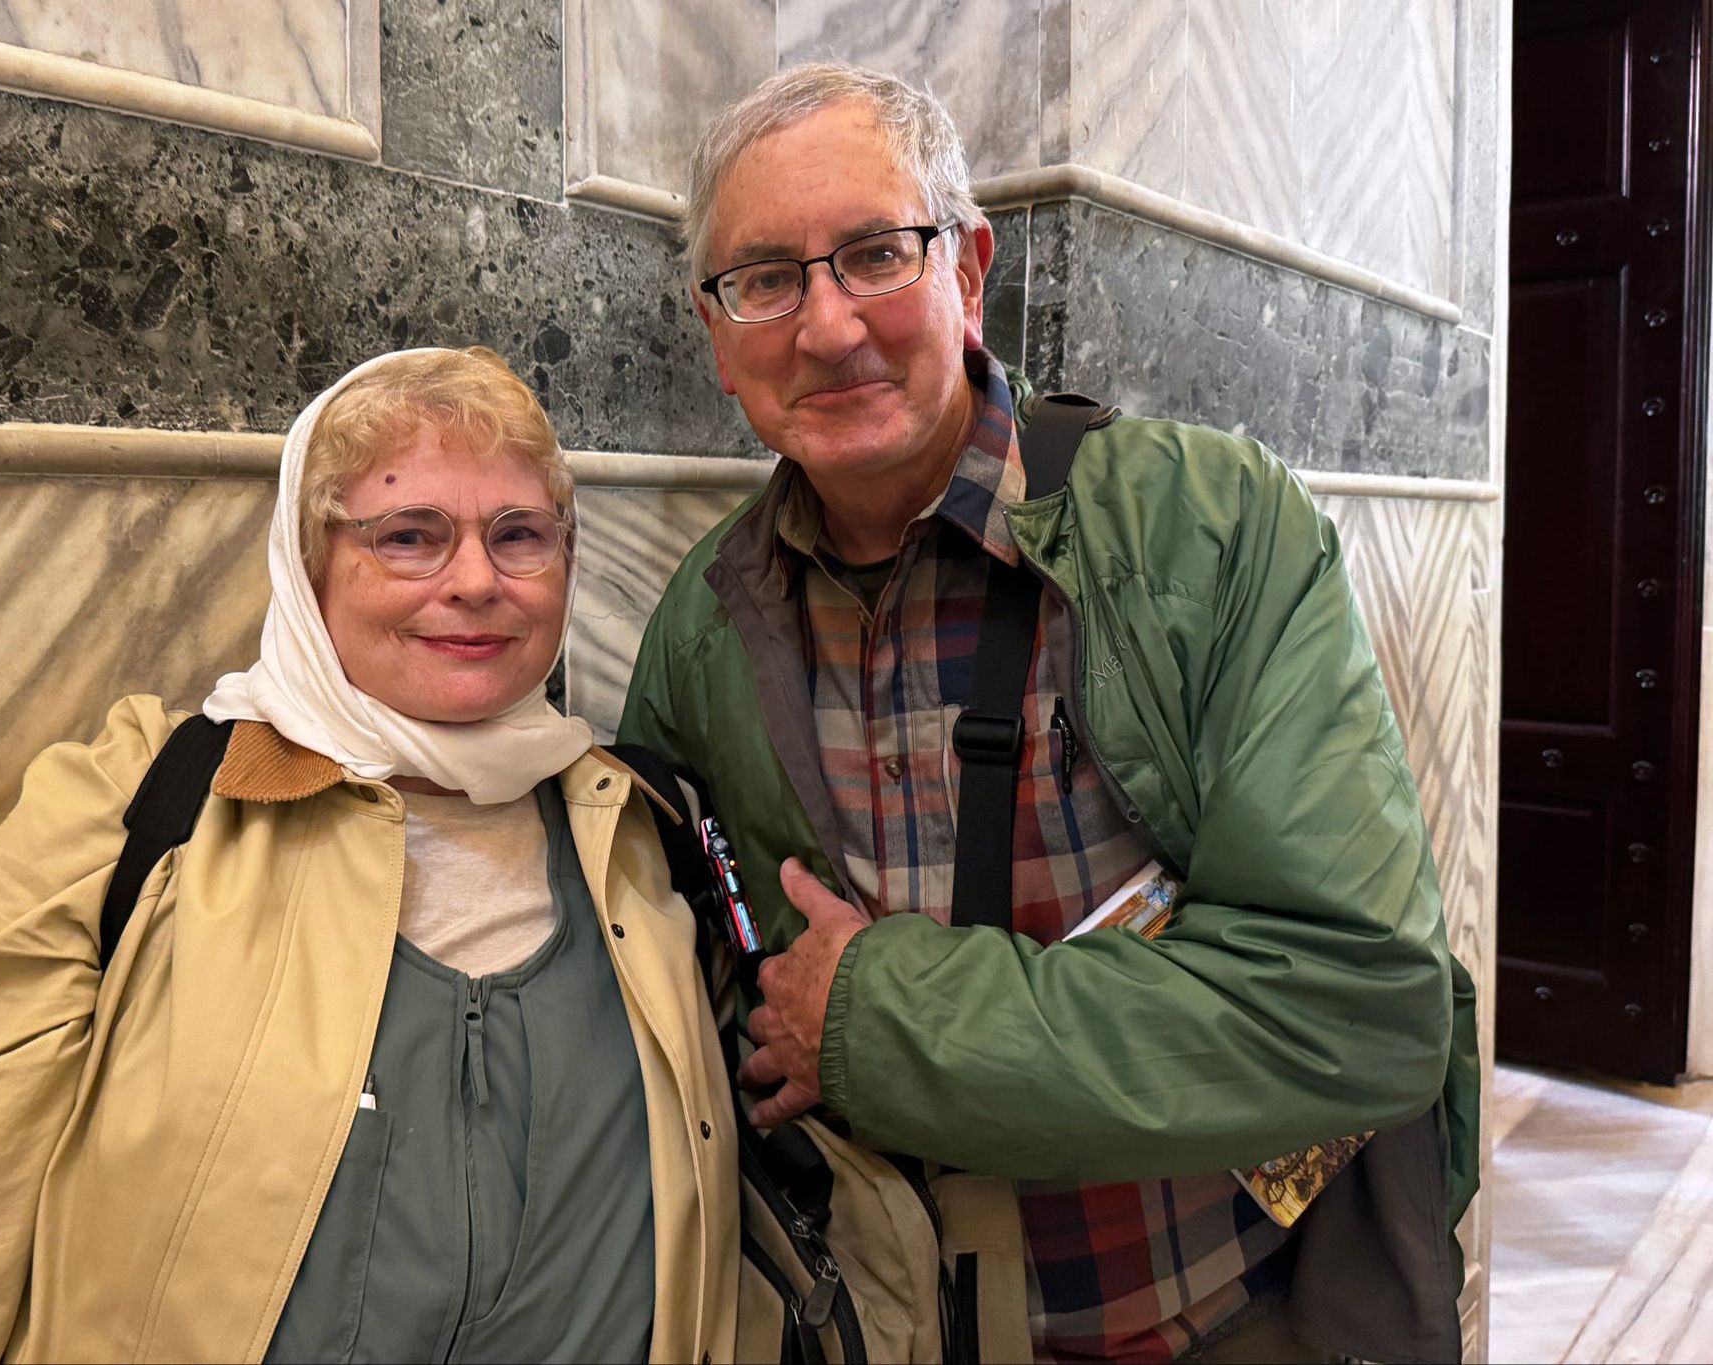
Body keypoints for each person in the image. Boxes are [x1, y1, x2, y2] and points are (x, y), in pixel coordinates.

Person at [619, 62, 1480, 1364]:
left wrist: (872, 1015)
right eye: (765, 279)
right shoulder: (703, 619)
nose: (829, 324)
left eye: (873, 254)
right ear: (716, 331)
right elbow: (694, 975)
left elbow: (1356, 1010)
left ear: (968, 271)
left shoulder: (1210, 528)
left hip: (1218, 1324)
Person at [0, 347, 739, 1364]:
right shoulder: (131, 811)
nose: (476, 581)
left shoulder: (635, 825)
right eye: (409, 537)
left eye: (518, 535)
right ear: (308, 565)